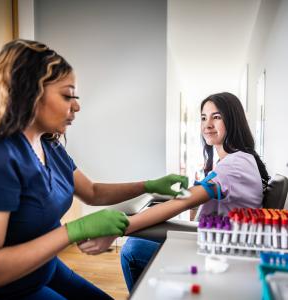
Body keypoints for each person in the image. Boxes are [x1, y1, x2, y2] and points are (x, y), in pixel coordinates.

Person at [0, 39, 188, 300]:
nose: (77, 106)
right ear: (30, 92)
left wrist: (148, 185)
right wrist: (74, 230)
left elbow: (92, 192)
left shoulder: (49, 144)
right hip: (10, 289)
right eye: (67, 95)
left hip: (45, 268)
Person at [78, 92, 270, 292]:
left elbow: (184, 202)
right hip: (220, 244)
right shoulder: (237, 160)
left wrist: (119, 229)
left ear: (233, 120)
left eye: (217, 117)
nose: (207, 124)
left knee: (132, 249)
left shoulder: (234, 165)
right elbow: (193, 197)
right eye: (204, 117)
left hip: (222, 255)